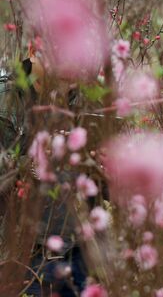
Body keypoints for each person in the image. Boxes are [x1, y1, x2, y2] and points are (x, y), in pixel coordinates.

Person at [0, 45, 94, 296]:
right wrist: (30, 163)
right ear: (33, 50)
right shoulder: (7, 96)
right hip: (23, 254)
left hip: (76, 250)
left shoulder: (83, 98)